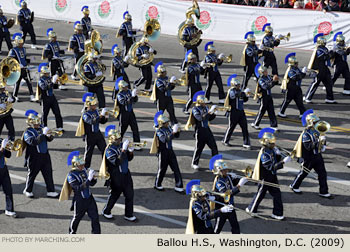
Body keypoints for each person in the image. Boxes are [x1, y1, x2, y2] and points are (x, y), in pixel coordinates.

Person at [246, 128, 291, 220]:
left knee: (277, 194)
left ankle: (277, 213)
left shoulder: (271, 150)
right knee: (260, 194)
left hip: (272, 176)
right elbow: (271, 167)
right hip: (265, 177)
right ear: (266, 143)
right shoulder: (264, 154)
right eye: (272, 143)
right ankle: (251, 209)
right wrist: (283, 162)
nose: (274, 144)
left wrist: (278, 155)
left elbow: (275, 161)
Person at [290, 109, 332, 198]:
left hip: (317, 156)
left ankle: (323, 191)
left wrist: (323, 143)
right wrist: (318, 142)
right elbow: (308, 146)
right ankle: (294, 185)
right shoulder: (306, 134)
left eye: (317, 121)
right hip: (309, 158)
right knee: (304, 173)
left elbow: (321, 142)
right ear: (310, 123)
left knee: (322, 174)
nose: (317, 123)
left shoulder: (318, 131)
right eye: (315, 122)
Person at [100, 126, 137, 222]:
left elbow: (128, 159)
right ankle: (106, 211)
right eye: (117, 139)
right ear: (111, 139)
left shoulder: (120, 146)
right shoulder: (109, 150)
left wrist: (131, 152)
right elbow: (117, 162)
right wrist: (124, 150)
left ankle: (128, 214)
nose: (120, 140)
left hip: (126, 173)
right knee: (115, 195)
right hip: (116, 176)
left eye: (120, 138)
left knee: (130, 194)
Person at [21, 109, 59, 198]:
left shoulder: (42, 128)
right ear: (30, 123)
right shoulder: (28, 132)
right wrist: (43, 135)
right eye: (35, 123)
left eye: (38, 122)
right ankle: (27, 190)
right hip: (34, 157)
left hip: (45, 155)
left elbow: (49, 139)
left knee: (48, 173)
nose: (37, 124)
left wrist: (49, 136)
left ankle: (50, 190)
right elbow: (33, 142)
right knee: (32, 174)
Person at [60, 151, 100, 234]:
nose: (83, 166)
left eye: (83, 164)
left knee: (95, 217)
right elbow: (77, 188)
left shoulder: (84, 171)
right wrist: (89, 180)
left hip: (89, 198)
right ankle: (71, 233)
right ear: (75, 165)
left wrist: (93, 179)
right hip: (80, 200)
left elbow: (91, 184)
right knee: (77, 218)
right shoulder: (71, 175)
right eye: (81, 165)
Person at [209, 155, 247, 234]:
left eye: (226, 169)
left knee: (235, 227)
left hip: (230, 206)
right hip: (222, 208)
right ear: (219, 171)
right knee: (217, 229)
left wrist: (237, 179)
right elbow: (227, 194)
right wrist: (239, 185)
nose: (226, 171)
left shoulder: (227, 177)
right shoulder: (219, 182)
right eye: (224, 170)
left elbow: (231, 184)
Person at [150, 111, 183, 192]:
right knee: (162, 169)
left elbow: (176, 136)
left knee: (176, 168)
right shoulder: (159, 131)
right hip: (163, 152)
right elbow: (164, 139)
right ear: (161, 123)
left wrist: (177, 130)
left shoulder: (168, 128)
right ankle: (157, 184)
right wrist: (173, 132)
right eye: (166, 122)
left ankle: (179, 186)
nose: (167, 123)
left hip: (170, 151)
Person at [185, 91, 218, 170]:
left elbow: (209, 119)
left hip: (207, 130)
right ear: (200, 102)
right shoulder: (195, 109)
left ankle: (215, 163)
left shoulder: (206, 108)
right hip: (200, 131)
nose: (205, 104)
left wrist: (214, 113)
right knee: (199, 148)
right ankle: (194, 163)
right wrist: (210, 112)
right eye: (204, 102)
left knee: (214, 147)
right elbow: (200, 118)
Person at [76, 93, 108, 169]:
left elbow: (101, 122)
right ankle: (86, 167)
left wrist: (104, 117)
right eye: (93, 105)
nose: (95, 106)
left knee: (104, 149)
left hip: (98, 133)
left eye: (95, 104)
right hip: (90, 135)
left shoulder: (96, 111)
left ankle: (106, 165)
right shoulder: (85, 114)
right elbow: (91, 121)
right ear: (88, 105)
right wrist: (100, 116)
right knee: (89, 152)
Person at [304, 33, 336, 104]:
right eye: (323, 41)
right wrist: (329, 54)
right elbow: (321, 58)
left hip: (325, 68)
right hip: (319, 68)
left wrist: (332, 53)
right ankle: (307, 97)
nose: (325, 42)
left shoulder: (324, 48)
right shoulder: (318, 49)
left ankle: (329, 98)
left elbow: (327, 56)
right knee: (315, 83)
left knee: (329, 83)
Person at [222, 75, 251, 149]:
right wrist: (243, 93)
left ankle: (246, 142)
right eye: (237, 85)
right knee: (231, 127)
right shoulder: (231, 91)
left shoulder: (240, 91)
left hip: (241, 111)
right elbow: (235, 95)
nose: (238, 86)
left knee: (245, 127)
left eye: (239, 85)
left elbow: (244, 100)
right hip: (233, 112)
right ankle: (225, 140)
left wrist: (246, 96)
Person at [115, 78, 142, 149]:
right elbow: (124, 102)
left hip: (130, 113)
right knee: (121, 130)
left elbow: (134, 101)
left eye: (126, 86)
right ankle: (117, 143)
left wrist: (135, 96)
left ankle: (137, 144)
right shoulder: (119, 95)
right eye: (125, 87)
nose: (127, 87)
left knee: (135, 128)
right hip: (123, 114)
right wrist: (131, 97)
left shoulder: (128, 92)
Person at [36, 63, 64, 132]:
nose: (48, 74)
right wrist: (52, 82)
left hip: (52, 97)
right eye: (46, 73)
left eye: (48, 73)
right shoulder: (40, 80)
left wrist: (57, 83)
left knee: (57, 112)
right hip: (45, 98)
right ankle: (44, 127)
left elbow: (54, 87)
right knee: (45, 114)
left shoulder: (49, 78)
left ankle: (59, 127)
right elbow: (44, 87)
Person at [278, 53, 307, 118]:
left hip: (297, 88)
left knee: (299, 101)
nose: (297, 64)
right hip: (291, 89)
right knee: (287, 101)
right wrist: (303, 73)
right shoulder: (290, 70)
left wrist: (303, 73)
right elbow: (295, 78)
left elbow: (300, 76)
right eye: (296, 63)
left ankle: (302, 113)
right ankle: (281, 112)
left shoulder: (296, 69)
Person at [251, 64, 279, 130]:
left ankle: (273, 125)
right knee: (262, 111)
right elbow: (266, 87)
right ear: (262, 73)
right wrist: (273, 81)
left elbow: (273, 83)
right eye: (265, 71)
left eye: (266, 71)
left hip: (269, 96)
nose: (267, 72)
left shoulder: (268, 77)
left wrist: (276, 80)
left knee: (271, 111)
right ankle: (256, 123)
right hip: (263, 97)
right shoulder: (261, 80)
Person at [8, 33, 35, 102]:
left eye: (21, 43)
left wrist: (29, 60)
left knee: (29, 82)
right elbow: (11, 61)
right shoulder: (13, 50)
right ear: (16, 43)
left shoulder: (23, 49)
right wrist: (17, 65)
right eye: (19, 43)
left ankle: (32, 95)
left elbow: (24, 58)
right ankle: (15, 96)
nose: (21, 44)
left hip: (24, 68)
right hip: (18, 69)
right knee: (17, 83)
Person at [183, 50, 204, 115]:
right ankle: (185, 109)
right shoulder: (189, 67)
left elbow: (202, 72)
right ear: (190, 60)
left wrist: (203, 68)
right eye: (193, 59)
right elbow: (193, 73)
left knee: (201, 96)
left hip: (198, 83)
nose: (195, 60)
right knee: (192, 98)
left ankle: (199, 108)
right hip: (192, 84)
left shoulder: (197, 65)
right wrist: (199, 68)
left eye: (195, 58)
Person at [0, 137, 16, 218]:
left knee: (8, 190)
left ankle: (9, 210)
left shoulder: (0, 140)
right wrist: (2, 148)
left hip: (3, 169)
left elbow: (8, 155)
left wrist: (8, 148)